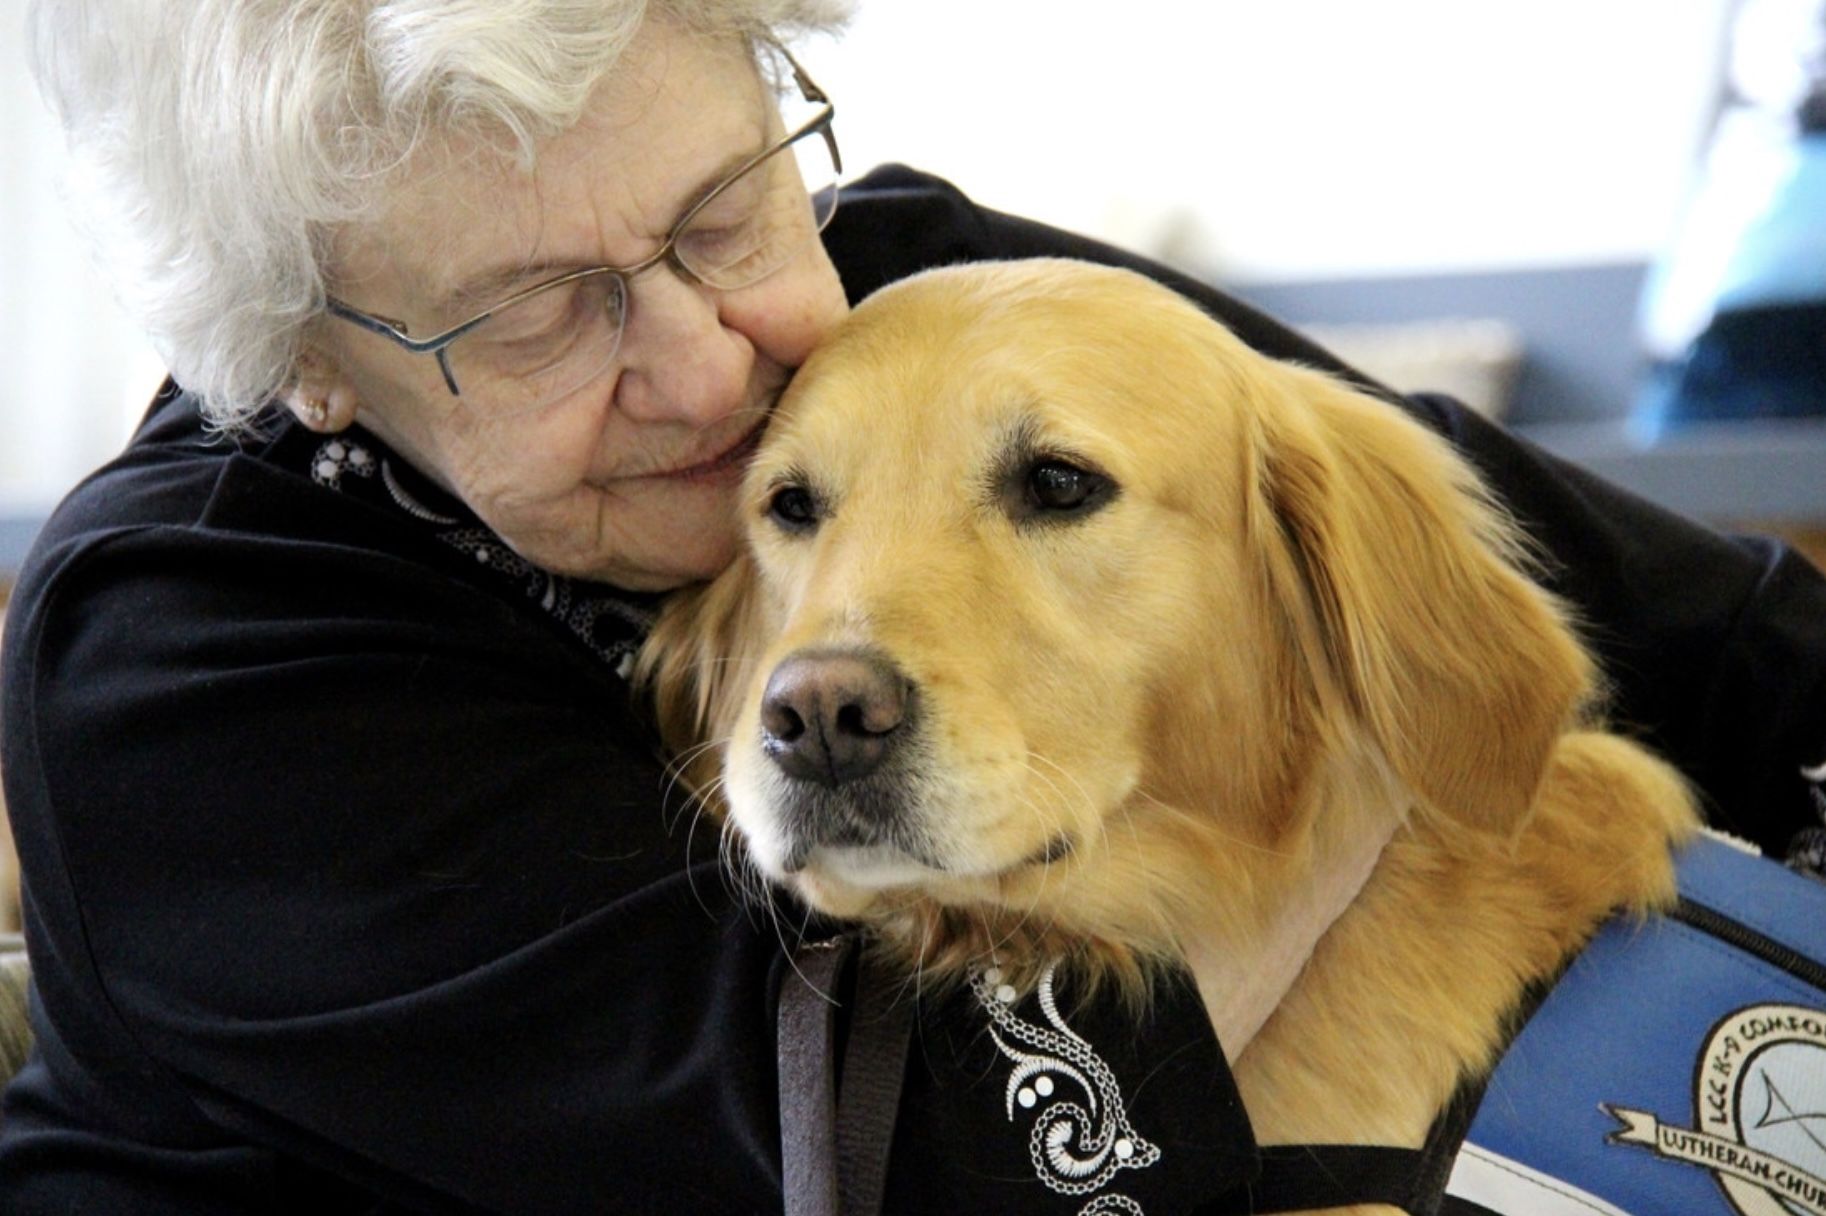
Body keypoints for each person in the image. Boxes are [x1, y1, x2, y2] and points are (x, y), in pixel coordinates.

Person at [2, 3, 1823, 1214]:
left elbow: (1677, 628)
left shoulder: (906, 288)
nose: (713, 364)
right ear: (311, 366)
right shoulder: (175, 664)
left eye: (721, 208)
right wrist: (1334, 747)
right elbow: (944, 1145)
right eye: (537, 311)